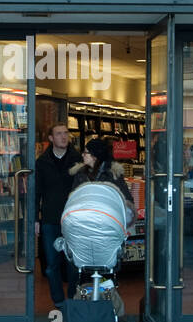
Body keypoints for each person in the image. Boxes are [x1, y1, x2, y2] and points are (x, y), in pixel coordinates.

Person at [35, 123, 77, 304]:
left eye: (66, 133)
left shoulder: (77, 159)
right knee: (52, 264)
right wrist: (35, 219)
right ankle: (59, 302)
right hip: (50, 219)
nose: (63, 137)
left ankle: (73, 298)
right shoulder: (42, 162)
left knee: (73, 263)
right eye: (59, 134)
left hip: (73, 219)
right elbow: (36, 191)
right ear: (51, 139)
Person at [70, 137, 136, 211]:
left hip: (107, 216)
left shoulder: (112, 174)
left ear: (94, 156)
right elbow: (74, 197)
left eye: (85, 152)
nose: (82, 155)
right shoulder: (81, 173)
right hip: (85, 216)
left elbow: (126, 199)